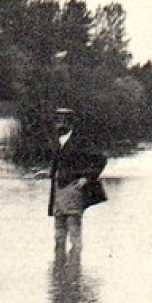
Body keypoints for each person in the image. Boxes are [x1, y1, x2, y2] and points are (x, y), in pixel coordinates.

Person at [48, 108, 108, 262]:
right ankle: (60, 268)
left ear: (70, 123)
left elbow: (101, 159)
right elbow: (58, 162)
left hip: (74, 188)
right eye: (57, 120)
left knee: (74, 227)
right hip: (58, 189)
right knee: (58, 230)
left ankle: (74, 269)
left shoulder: (81, 141)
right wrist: (49, 172)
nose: (59, 124)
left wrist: (87, 178)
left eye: (63, 120)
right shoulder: (57, 140)